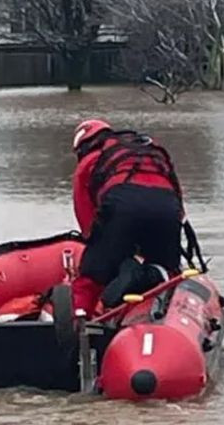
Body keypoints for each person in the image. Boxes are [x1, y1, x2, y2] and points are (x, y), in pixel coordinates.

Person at [70, 119, 203, 317]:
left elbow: (85, 215)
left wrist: (98, 250)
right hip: (167, 208)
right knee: (169, 270)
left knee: (91, 276)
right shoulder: (149, 150)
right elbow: (175, 191)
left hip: (122, 205)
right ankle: (165, 302)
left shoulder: (90, 161)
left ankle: (80, 319)